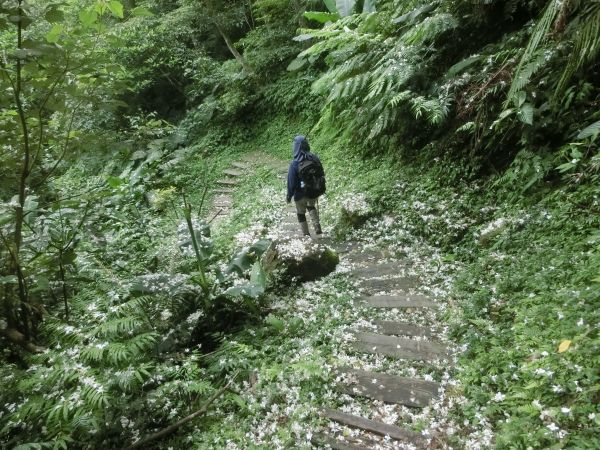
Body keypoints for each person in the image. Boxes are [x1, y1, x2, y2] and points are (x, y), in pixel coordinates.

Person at [286, 135, 324, 237]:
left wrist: (289, 196)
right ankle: (317, 227)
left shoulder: (294, 164)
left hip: (300, 194)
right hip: (314, 191)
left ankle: (306, 235)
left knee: (301, 213)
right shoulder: (315, 158)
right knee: (311, 206)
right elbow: (321, 173)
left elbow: (291, 182)